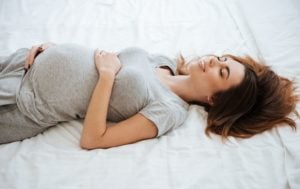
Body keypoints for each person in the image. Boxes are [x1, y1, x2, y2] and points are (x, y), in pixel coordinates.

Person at [0, 43, 298, 149]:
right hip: (23, 62)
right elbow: (101, 59)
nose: (212, 61)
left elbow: (94, 138)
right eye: (221, 59)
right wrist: (53, 48)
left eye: (221, 73)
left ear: (216, 100)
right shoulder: (162, 60)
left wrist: (106, 77)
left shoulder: (170, 111)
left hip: (26, 102)